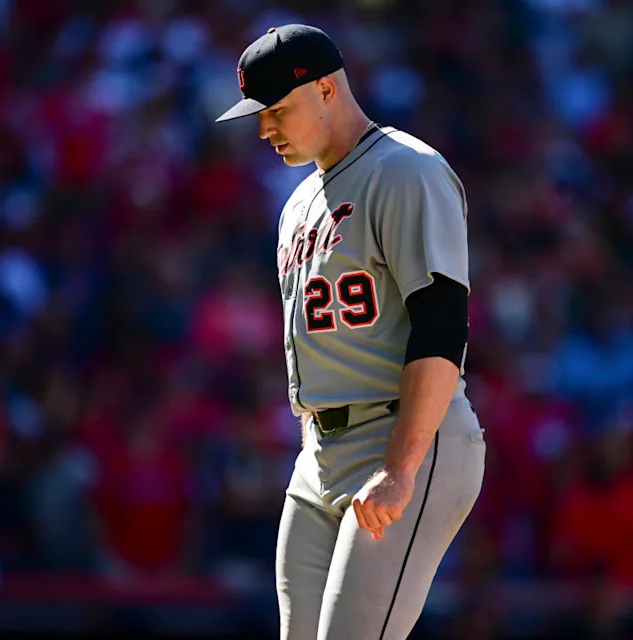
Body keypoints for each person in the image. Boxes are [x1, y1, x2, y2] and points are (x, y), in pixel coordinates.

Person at [215, 24, 485, 640]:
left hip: (406, 435)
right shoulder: (298, 203)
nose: (264, 129)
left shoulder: (405, 170)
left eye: (276, 110)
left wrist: (400, 465)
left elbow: (443, 328)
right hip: (319, 453)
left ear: (327, 89)